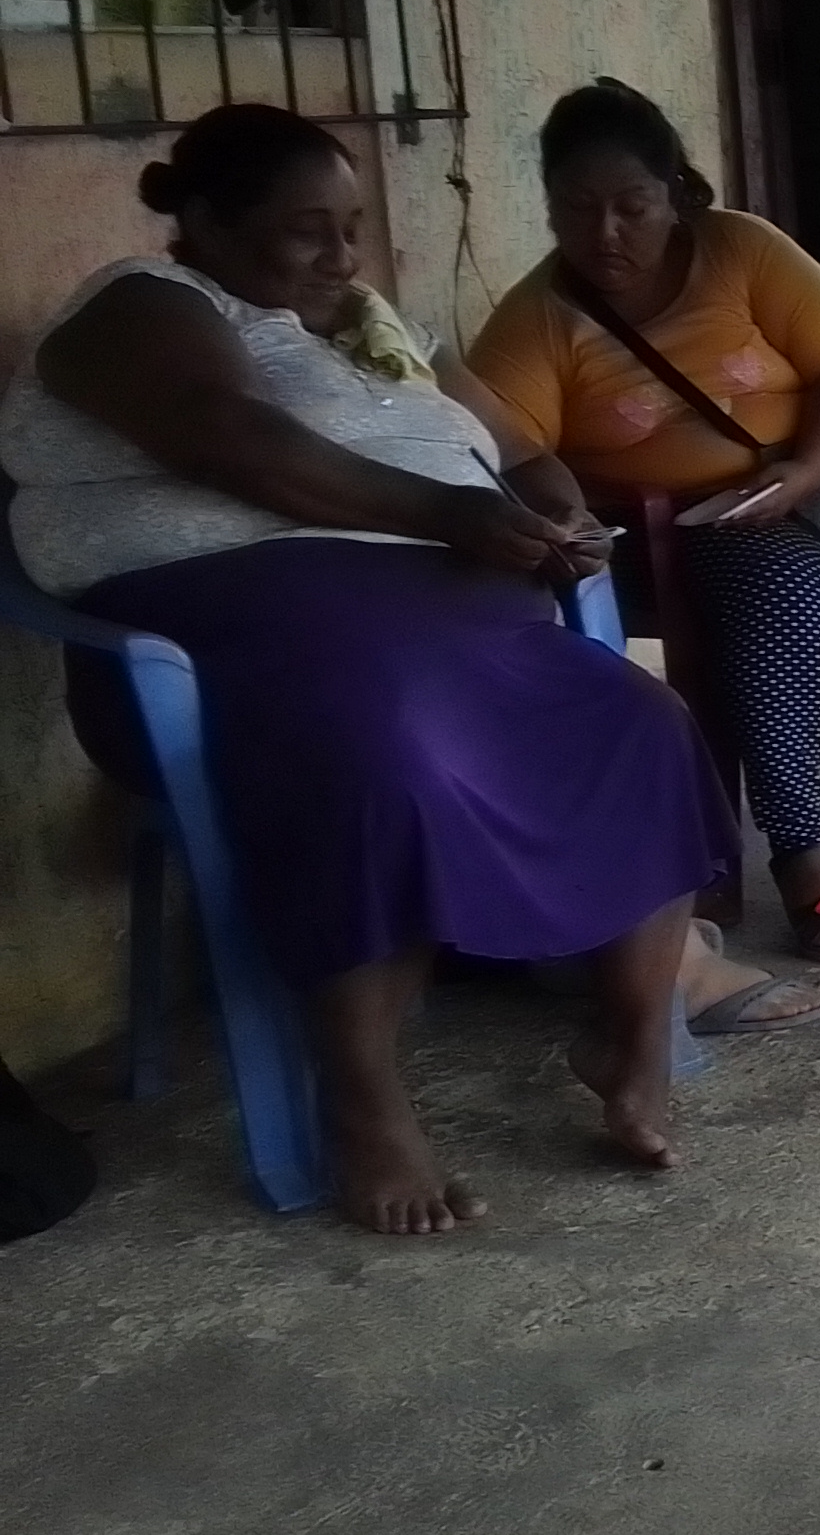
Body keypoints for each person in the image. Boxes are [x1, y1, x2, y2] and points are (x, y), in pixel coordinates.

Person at [0, 105, 739, 1232]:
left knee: (643, 722)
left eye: (353, 228)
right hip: (237, 638)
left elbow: (523, 452)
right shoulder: (143, 305)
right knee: (379, 753)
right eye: (307, 231)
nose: (343, 258)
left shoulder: (379, 328)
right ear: (207, 222)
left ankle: (629, 1041)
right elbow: (226, 435)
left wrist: (560, 516)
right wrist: (451, 516)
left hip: (452, 621)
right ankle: (364, 1105)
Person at [467, 81, 820, 963]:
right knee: (786, 619)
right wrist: (564, 512)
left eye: (630, 207)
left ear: (674, 193)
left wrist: (807, 468)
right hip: (711, 523)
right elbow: (508, 447)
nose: (604, 233)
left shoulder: (741, 249)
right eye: (575, 208)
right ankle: (805, 852)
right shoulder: (537, 319)